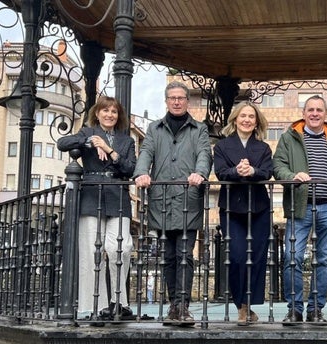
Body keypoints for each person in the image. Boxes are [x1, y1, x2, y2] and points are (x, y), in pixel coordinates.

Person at [133, 81, 212, 326]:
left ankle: (182, 305)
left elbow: (204, 154)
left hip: (188, 199)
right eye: (172, 98)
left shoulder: (199, 129)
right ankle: (173, 304)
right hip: (163, 201)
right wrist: (141, 173)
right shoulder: (155, 129)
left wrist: (200, 173)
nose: (177, 101)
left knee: (185, 255)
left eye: (181, 98)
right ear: (166, 101)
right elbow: (145, 151)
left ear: (187, 101)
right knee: (167, 256)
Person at [57, 95, 136, 321]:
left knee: (119, 248)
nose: (110, 115)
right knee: (92, 252)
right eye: (105, 110)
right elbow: (62, 143)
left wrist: (110, 150)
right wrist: (91, 141)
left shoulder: (126, 140)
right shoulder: (87, 132)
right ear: (97, 113)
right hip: (91, 194)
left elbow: (130, 168)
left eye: (114, 111)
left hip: (117, 195)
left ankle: (119, 302)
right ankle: (93, 305)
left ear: (118, 116)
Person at [273, 95, 327, 326]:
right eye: (310, 110)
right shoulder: (288, 137)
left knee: (325, 259)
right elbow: (278, 166)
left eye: (319, 110)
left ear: (325, 114)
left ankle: (316, 310)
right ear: (304, 113)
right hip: (300, 206)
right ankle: (294, 310)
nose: (315, 113)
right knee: (291, 258)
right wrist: (292, 177)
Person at [213, 102, 273, 326]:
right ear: (235, 119)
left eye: (251, 116)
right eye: (243, 116)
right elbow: (220, 172)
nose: (247, 120)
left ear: (256, 122)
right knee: (237, 256)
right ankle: (241, 305)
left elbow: (268, 171)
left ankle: (248, 305)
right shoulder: (222, 146)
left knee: (257, 257)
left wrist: (254, 171)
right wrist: (237, 171)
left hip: (259, 208)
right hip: (232, 207)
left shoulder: (264, 147)